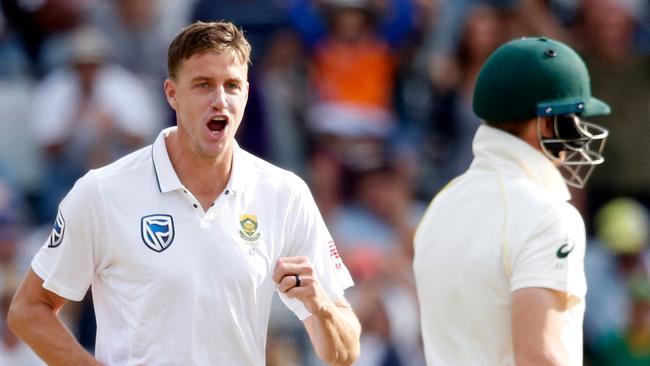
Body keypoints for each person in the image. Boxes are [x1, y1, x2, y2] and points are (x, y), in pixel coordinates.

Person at [7, 21, 361, 366]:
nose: (220, 100)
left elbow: (344, 353)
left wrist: (321, 306)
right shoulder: (102, 191)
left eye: (232, 86)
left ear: (247, 94)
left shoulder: (285, 194)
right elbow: (28, 310)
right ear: (172, 94)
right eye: (204, 85)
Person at [413, 37, 610, 365]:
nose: (580, 133)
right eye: (573, 118)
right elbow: (539, 356)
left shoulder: (441, 205)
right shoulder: (549, 217)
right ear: (546, 122)